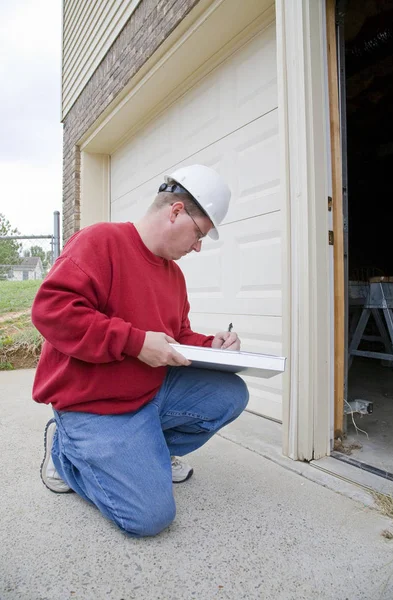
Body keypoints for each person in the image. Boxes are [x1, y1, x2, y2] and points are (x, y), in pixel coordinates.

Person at [32, 164, 249, 537]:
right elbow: (51, 311)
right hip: (92, 405)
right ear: (176, 211)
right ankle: (66, 454)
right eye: (198, 233)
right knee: (150, 518)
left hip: (150, 393)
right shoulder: (100, 242)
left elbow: (176, 335)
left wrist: (212, 345)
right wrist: (133, 342)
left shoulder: (173, 276)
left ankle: (150, 453)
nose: (197, 246)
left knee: (230, 394)